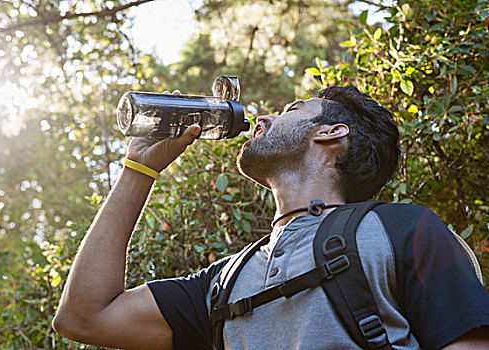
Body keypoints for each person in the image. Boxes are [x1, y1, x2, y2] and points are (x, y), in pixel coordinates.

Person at [52, 86, 489, 349]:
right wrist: (139, 168)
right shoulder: (223, 282)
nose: (263, 118)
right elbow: (84, 317)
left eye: (292, 109)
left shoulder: (403, 229)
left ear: (331, 133)